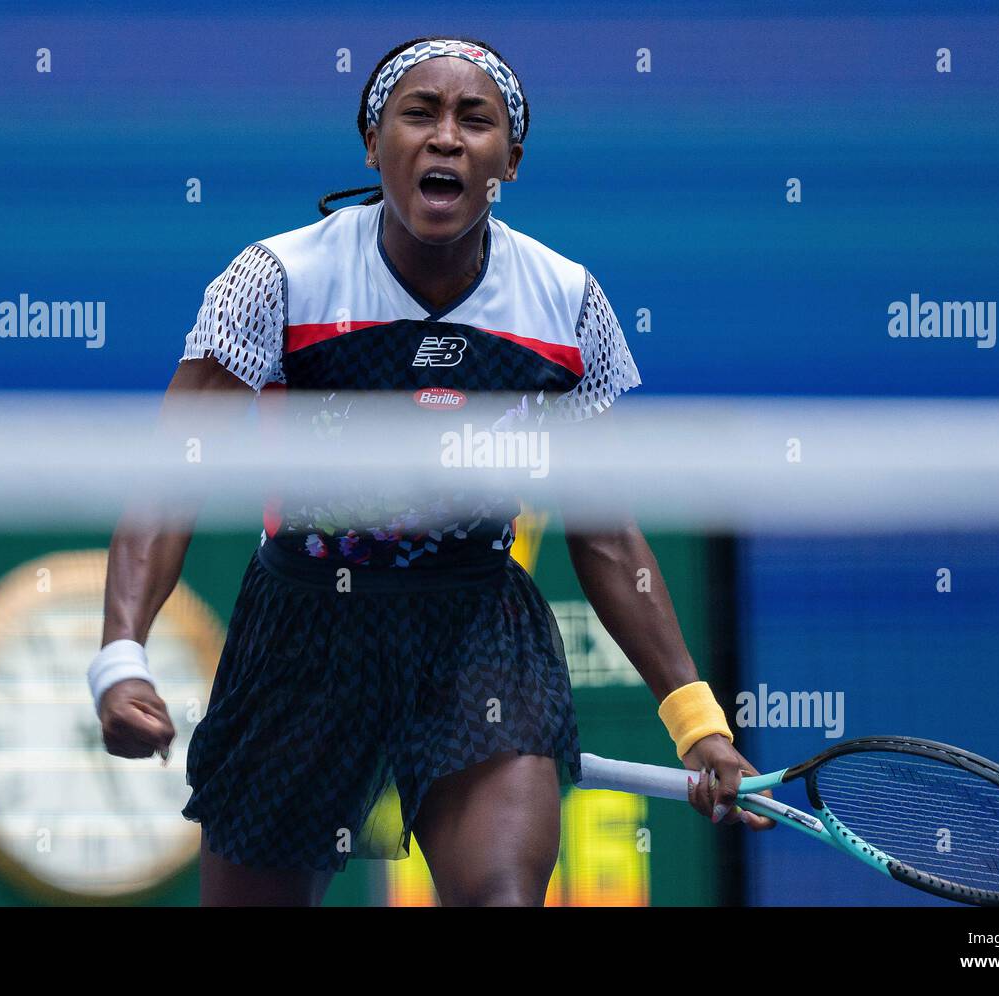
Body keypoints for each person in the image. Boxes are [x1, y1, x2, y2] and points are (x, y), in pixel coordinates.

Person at [90, 35, 772, 908]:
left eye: (474, 120)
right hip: (305, 632)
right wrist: (119, 659)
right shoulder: (277, 281)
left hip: (477, 630)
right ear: (374, 146)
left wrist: (698, 725)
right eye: (419, 113)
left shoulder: (566, 305)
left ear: (510, 162)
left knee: (501, 899)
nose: (446, 137)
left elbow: (604, 531)